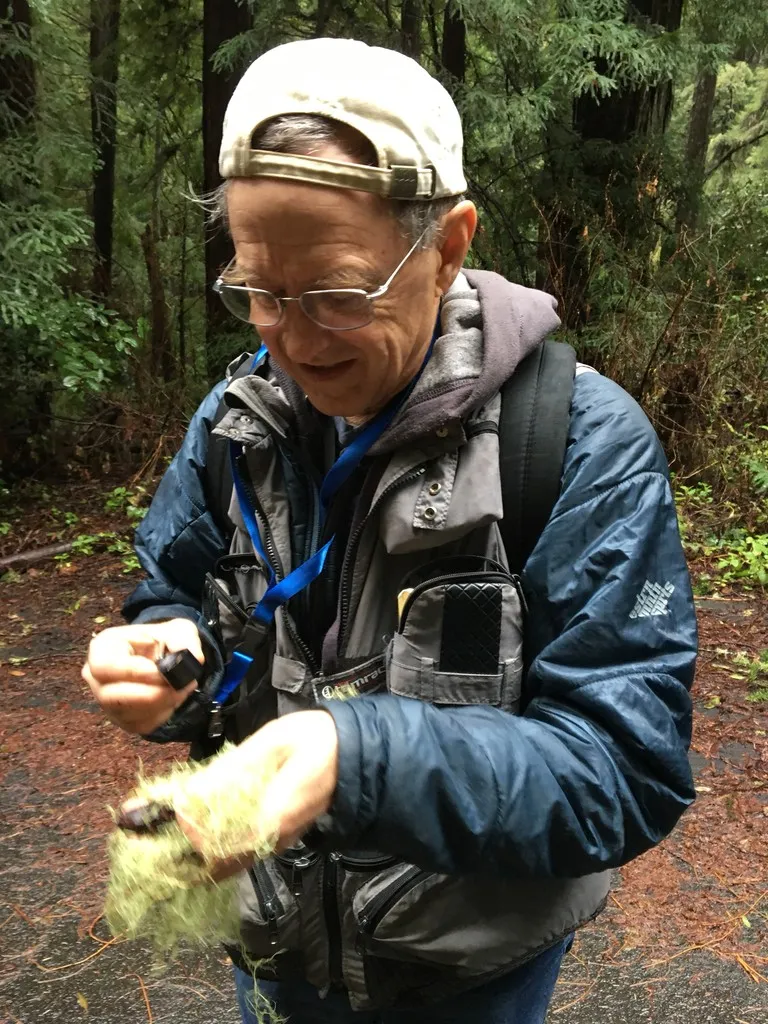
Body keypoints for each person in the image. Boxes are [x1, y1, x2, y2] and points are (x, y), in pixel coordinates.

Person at [82, 37, 698, 1024]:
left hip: (469, 979)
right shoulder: (237, 420)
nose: (291, 337)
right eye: (259, 291)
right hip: (273, 946)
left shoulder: (576, 440)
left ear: (447, 246)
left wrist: (357, 759)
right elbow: (176, 594)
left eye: (337, 294)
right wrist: (164, 657)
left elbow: (621, 769)